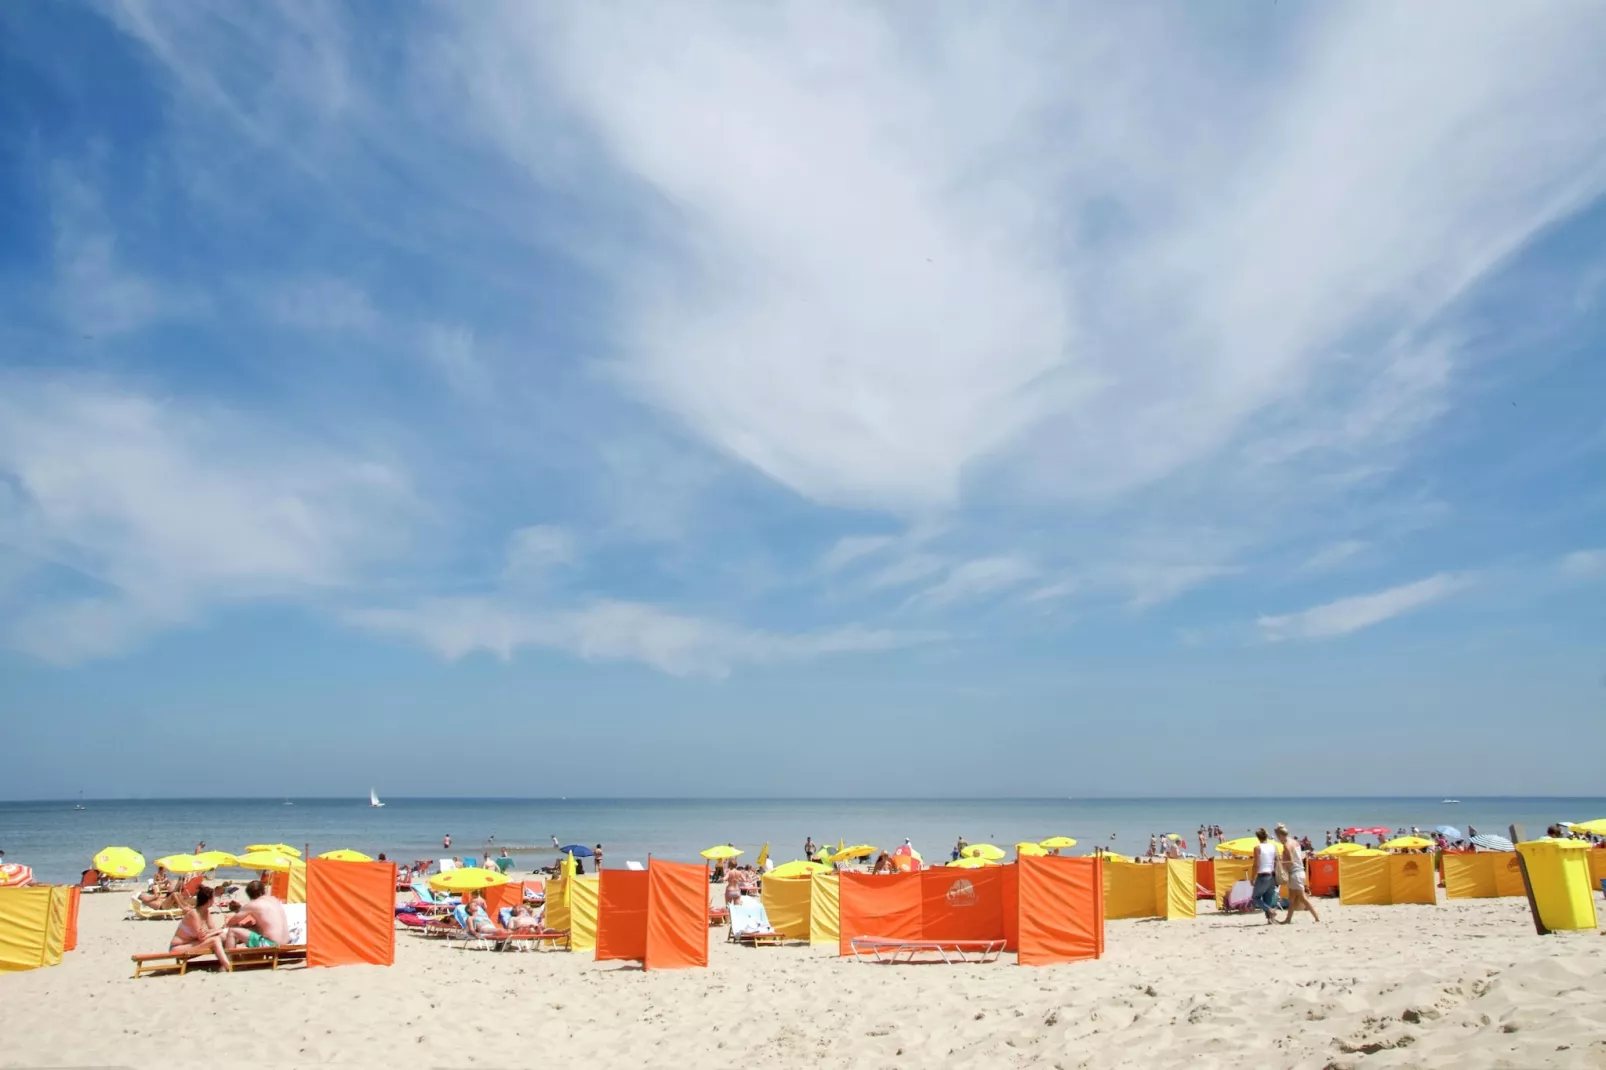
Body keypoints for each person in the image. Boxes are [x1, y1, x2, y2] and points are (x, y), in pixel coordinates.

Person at [169, 886, 232, 971]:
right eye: (213, 897)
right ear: (209, 900)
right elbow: (202, 937)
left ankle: (228, 962)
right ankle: (228, 966)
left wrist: (221, 929)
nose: (214, 899)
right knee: (215, 940)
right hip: (177, 948)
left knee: (223, 936)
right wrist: (217, 931)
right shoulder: (193, 914)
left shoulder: (206, 912)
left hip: (192, 943)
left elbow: (213, 929)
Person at [1275, 825, 1319, 925]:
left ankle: (1316, 917)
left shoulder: (1287, 844)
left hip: (1295, 873)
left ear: (1280, 835)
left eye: (1278, 836)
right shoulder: (1294, 842)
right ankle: (1288, 919)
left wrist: (1279, 863)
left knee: (1302, 898)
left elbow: (1290, 861)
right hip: (1299, 872)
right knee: (1292, 899)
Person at [226, 879, 289, 948]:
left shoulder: (253, 904)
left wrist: (241, 925)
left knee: (232, 931)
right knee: (255, 933)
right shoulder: (274, 900)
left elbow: (230, 923)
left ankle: (229, 958)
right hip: (286, 943)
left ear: (249, 895)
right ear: (264, 890)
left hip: (271, 944)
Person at [1250, 828, 1280, 925]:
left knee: (1255, 897)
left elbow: (1256, 864)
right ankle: (1270, 920)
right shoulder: (1273, 846)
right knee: (1268, 898)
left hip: (1263, 875)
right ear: (1267, 836)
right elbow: (1277, 860)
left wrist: (1252, 877)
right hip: (1271, 874)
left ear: (1258, 837)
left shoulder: (1258, 848)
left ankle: (1270, 911)